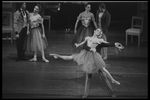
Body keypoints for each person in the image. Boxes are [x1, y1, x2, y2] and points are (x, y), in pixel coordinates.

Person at [50, 28, 124, 98]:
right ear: (94, 31)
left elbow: (108, 44)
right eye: (97, 30)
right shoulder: (88, 38)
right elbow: (85, 46)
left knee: (104, 76)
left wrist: (116, 44)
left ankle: (112, 92)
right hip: (88, 59)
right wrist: (90, 49)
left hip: (96, 61)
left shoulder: (99, 41)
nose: (99, 32)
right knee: (87, 77)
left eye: (100, 31)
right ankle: (85, 94)